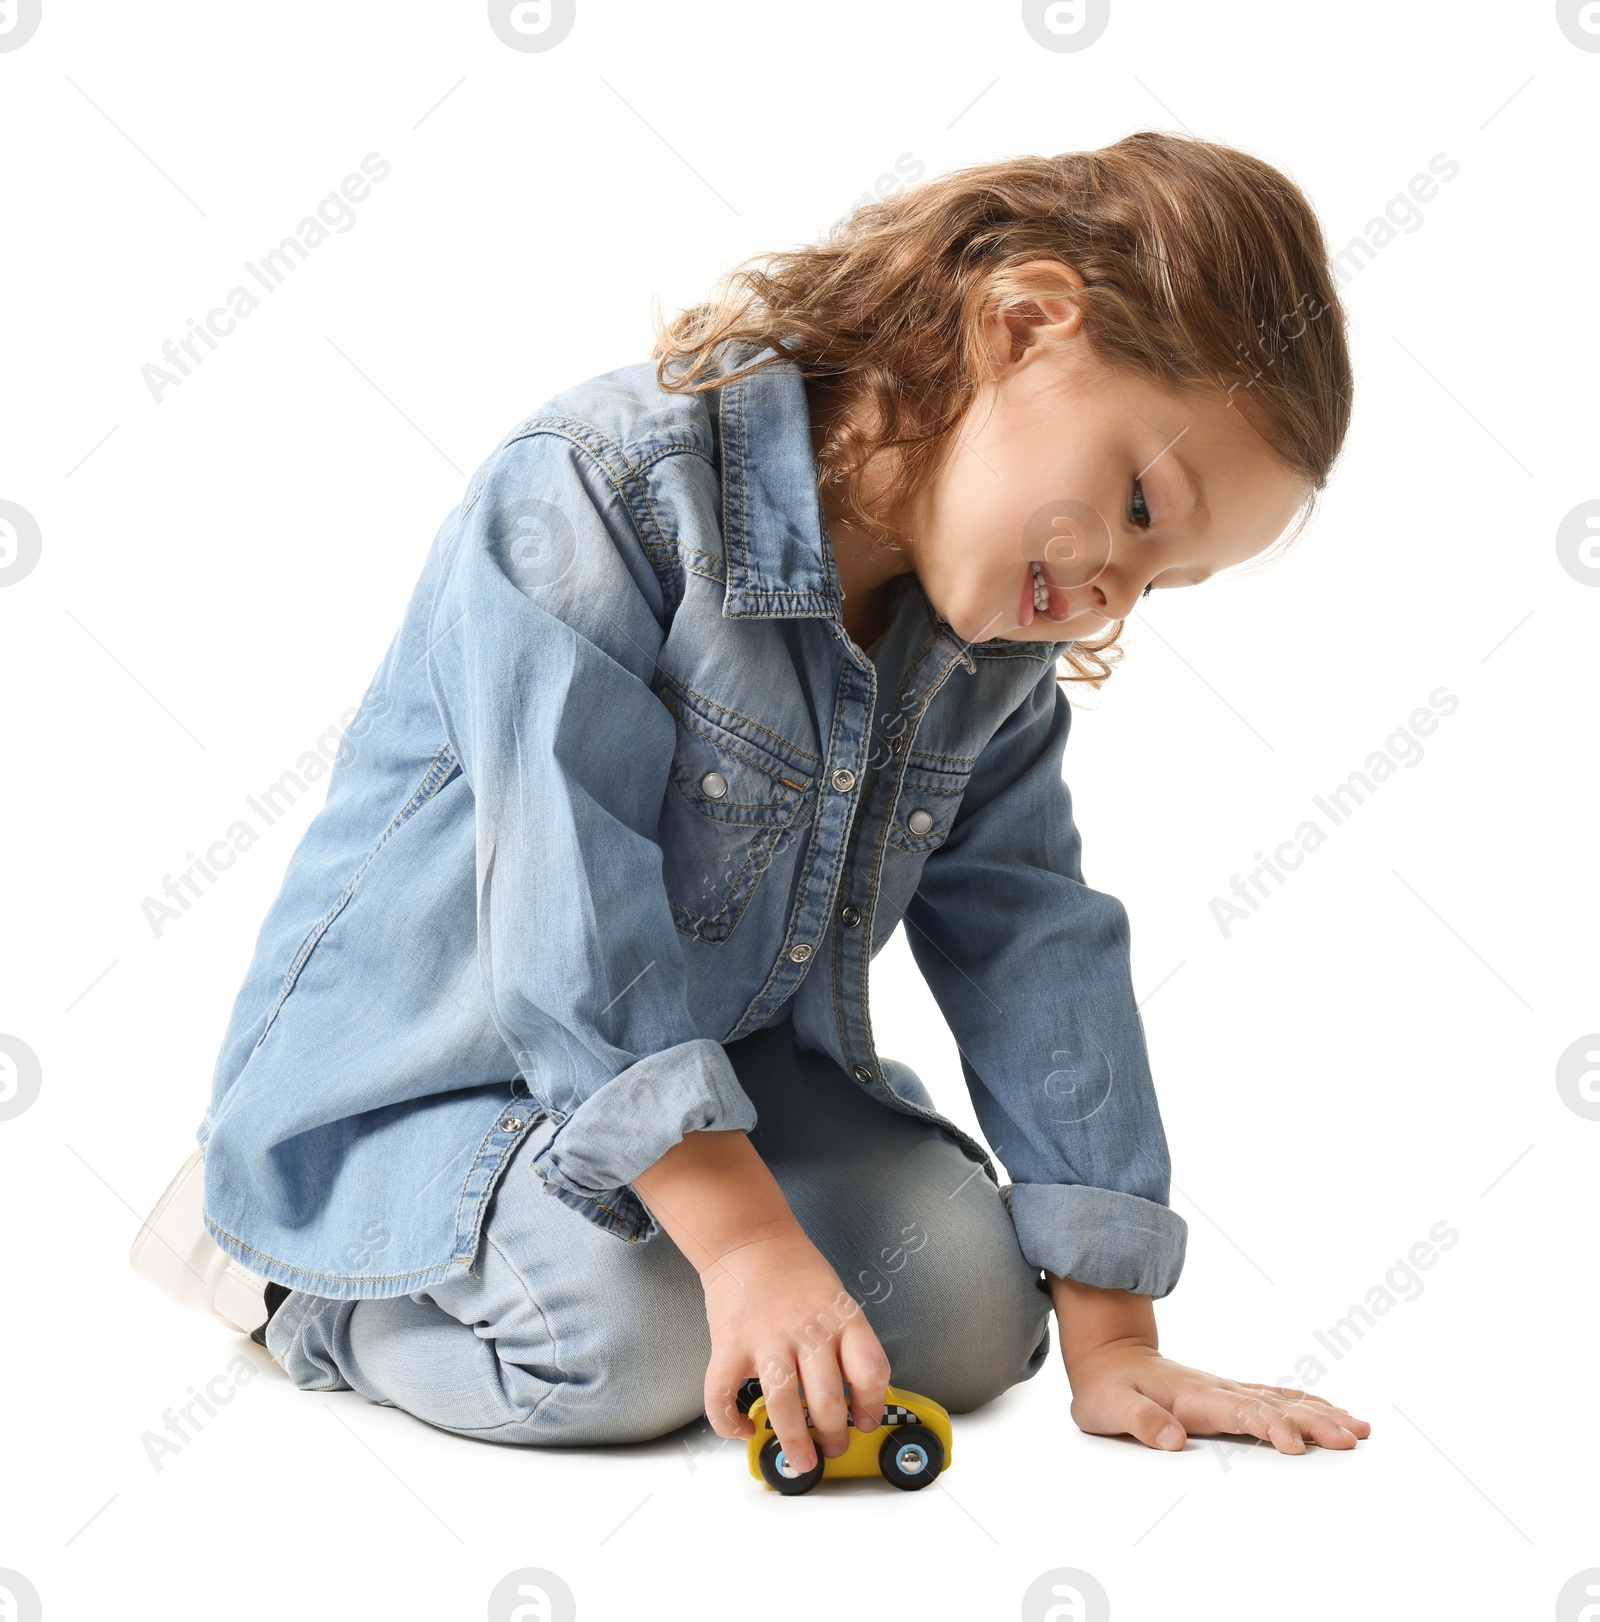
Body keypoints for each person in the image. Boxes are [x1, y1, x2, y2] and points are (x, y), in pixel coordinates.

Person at [132, 130, 1370, 1473]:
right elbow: (571, 914)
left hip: (705, 1086)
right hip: (438, 1084)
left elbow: (1030, 933)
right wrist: (743, 1242)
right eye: (1136, 503)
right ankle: (303, 1290)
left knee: (972, 1302)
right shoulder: (602, 492)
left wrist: (1114, 1333)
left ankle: (712, 1244)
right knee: (622, 1335)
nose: (1111, 594)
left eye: (1160, 580)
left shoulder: (987, 658)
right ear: (1022, 326)